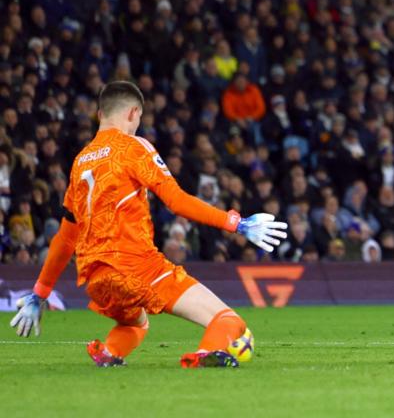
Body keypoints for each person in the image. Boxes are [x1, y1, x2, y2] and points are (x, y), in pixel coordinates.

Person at [9, 82, 287, 368]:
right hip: (136, 266)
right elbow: (177, 201)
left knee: (137, 325)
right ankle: (205, 356)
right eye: (139, 118)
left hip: (96, 278)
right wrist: (236, 223)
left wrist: (39, 295)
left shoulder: (80, 163)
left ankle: (108, 353)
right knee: (229, 321)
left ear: (100, 113)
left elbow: (66, 237)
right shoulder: (133, 147)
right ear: (133, 113)